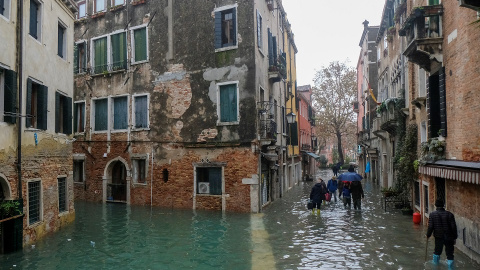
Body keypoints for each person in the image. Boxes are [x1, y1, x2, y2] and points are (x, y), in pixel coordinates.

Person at [426, 199, 458, 268]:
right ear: (443, 205)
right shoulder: (450, 214)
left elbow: (430, 226)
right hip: (449, 237)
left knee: (437, 252)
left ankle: (435, 267)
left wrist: (428, 235)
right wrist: (455, 237)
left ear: (435, 205)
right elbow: (454, 227)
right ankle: (450, 268)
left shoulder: (432, 215)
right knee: (450, 254)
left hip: (438, 237)